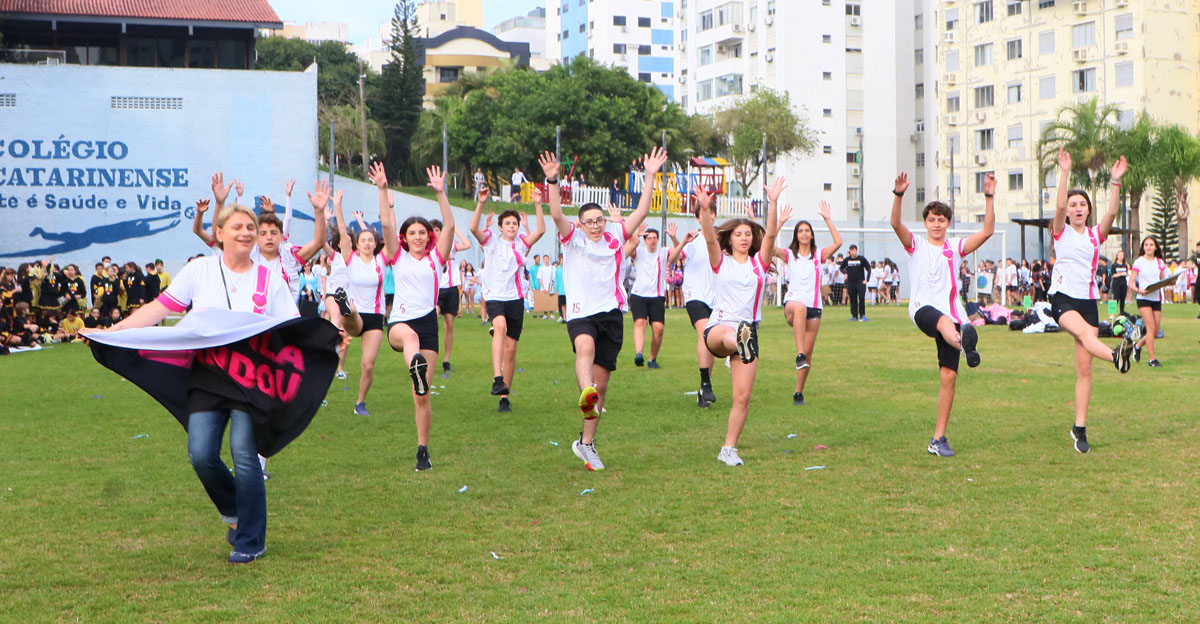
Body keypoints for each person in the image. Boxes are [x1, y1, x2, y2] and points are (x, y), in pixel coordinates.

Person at [81, 198, 337, 565]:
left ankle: (251, 540)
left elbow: (290, 328)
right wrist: (111, 332)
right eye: (238, 227)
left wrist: (324, 339)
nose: (246, 233)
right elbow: (159, 309)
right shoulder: (199, 270)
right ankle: (236, 511)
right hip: (207, 376)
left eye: (250, 228)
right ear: (219, 233)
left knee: (245, 454)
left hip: (252, 380)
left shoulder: (269, 279)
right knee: (201, 454)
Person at [545, 147, 664, 471]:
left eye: (599, 220)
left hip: (611, 313)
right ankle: (586, 392)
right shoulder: (572, 239)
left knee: (604, 384)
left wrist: (650, 175)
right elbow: (556, 214)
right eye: (590, 222)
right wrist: (552, 181)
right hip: (581, 312)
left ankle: (586, 443)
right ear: (580, 224)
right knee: (584, 349)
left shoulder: (614, 236)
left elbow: (642, 210)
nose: (596, 226)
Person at [890, 171, 995, 457]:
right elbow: (895, 223)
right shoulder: (916, 245)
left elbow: (987, 231)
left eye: (941, 219)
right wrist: (898, 195)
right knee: (944, 321)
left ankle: (938, 439)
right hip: (923, 308)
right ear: (925, 223)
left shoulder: (955, 247)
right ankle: (964, 344)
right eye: (931, 219)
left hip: (954, 314)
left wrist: (989, 196)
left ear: (948, 223)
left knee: (948, 377)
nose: (936, 224)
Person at [1047, 150, 1135, 454]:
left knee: (1084, 370)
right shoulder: (1060, 232)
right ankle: (1116, 357)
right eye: (1073, 204)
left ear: (1088, 210)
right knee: (1086, 334)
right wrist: (1065, 172)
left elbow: (1111, 214)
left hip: (1088, 302)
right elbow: (1059, 205)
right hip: (1062, 298)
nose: (1077, 208)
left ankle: (1080, 428)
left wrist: (1115, 181)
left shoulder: (1095, 236)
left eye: (1082, 204)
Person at [693, 178, 785, 466]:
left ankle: (728, 449)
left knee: (742, 398)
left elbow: (770, 235)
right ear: (730, 239)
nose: (744, 238)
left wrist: (772, 202)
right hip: (720, 328)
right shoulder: (721, 261)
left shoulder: (759, 265)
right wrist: (705, 209)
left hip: (748, 330)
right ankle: (738, 342)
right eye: (738, 234)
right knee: (730, 335)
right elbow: (710, 238)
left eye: (747, 234)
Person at [375, 161, 457, 471]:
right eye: (413, 233)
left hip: (428, 326)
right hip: (400, 323)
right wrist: (383, 188)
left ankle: (423, 450)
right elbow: (386, 224)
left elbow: (450, 226)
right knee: (409, 338)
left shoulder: (437, 259)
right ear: (405, 238)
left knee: (421, 395)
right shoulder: (398, 257)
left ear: (429, 236)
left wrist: (440, 193)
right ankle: (415, 365)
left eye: (423, 232)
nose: (419, 237)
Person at [469, 185, 546, 412]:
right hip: (495, 297)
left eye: (515, 223)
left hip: (515, 299)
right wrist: (480, 203)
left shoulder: (521, 244)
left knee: (511, 350)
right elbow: (473, 228)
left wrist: (538, 204)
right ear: (500, 226)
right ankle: (497, 378)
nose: (512, 226)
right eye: (508, 223)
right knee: (499, 326)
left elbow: (541, 230)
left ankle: (504, 396)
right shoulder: (491, 242)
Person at [775, 200, 843, 406]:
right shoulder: (789, 255)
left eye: (807, 231)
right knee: (799, 308)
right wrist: (779, 222)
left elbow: (838, 242)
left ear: (812, 235)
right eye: (800, 231)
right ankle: (799, 353)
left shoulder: (818, 255)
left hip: (814, 308)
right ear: (796, 235)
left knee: (809, 354)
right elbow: (766, 245)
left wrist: (828, 219)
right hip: (792, 305)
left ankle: (798, 392)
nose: (804, 234)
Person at [328, 188, 389, 417]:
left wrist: (387, 204)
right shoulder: (350, 258)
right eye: (363, 240)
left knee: (368, 365)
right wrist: (338, 207)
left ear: (375, 243)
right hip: (356, 316)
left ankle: (360, 403)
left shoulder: (381, 261)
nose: (366, 243)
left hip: (375, 317)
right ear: (358, 244)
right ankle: (346, 307)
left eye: (370, 240)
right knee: (351, 311)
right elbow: (343, 234)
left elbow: (390, 232)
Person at [668, 203, 719, 407]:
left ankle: (704, 387)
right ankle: (705, 383)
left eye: (711, 213)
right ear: (698, 218)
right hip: (694, 294)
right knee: (704, 333)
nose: (709, 216)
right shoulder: (694, 238)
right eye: (705, 213)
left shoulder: (722, 237)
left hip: (716, 297)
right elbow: (672, 258)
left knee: (712, 343)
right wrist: (681, 241)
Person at [625, 222, 674, 368]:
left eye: (654, 238)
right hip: (639, 294)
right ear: (645, 241)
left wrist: (674, 238)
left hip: (657, 296)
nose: (652, 240)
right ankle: (639, 353)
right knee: (640, 322)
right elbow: (628, 248)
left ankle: (652, 359)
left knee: (658, 328)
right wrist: (636, 235)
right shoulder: (639, 252)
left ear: (657, 240)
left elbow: (678, 252)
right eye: (649, 238)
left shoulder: (663, 252)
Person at [431, 218, 472, 373]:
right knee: (433, 317)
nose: (435, 233)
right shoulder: (429, 248)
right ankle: (429, 354)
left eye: (437, 230)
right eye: (433, 230)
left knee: (449, 324)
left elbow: (467, 244)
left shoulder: (450, 245)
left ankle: (446, 359)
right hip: (436, 288)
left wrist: (456, 230)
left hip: (452, 288)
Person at [1130, 236, 1166, 368]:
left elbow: (1163, 280)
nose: (1149, 247)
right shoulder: (1139, 262)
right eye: (1146, 245)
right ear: (1143, 247)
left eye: (1151, 245)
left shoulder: (1159, 262)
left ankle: (1137, 345)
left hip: (1156, 298)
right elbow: (1131, 283)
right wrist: (1139, 290)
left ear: (1155, 247)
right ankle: (1152, 360)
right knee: (1150, 329)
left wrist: (1170, 282)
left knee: (1155, 332)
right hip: (1143, 298)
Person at [840, 245, 870, 321]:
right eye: (851, 250)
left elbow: (869, 268)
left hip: (860, 282)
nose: (853, 252)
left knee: (861, 298)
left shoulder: (861, 259)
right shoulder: (847, 260)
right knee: (853, 299)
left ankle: (862, 315)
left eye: (854, 250)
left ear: (856, 250)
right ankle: (854, 316)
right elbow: (841, 268)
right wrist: (845, 273)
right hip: (851, 282)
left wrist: (867, 279)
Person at [1109, 250, 1129, 315]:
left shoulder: (1125, 265)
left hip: (1123, 283)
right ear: (1117, 256)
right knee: (1115, 298)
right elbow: (1113, 275)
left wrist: (1125, 274)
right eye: (1119, 255)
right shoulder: (1114, 265)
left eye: (1122, 255)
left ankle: (1122, 311)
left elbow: (1126, 273)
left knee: (1122, 298)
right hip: (1116, 284)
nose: (1121, 256)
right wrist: (1121, 274)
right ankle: (1112, 312)